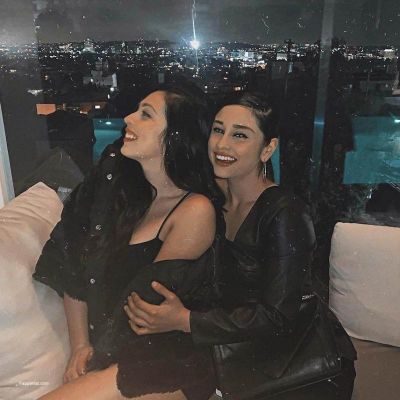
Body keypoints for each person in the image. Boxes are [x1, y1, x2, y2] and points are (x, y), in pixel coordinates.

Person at [125, 92, 356, 399]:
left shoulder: (285, 212)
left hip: (302, 370)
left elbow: (279, 316)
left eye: (240, 135)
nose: (222, 144)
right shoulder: (213, 200)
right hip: (240, 352)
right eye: (218, 130)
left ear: (267, 149)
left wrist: (185, 320)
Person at [33, 84, 224, 400]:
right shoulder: (126, 198)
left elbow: (143, 306)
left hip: (166, 360)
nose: (128, 119)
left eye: (146, 114)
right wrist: (79, 345)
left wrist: (95, 362)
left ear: (175, 135)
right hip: (118, 352)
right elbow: (74, 265)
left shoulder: (194, 210)